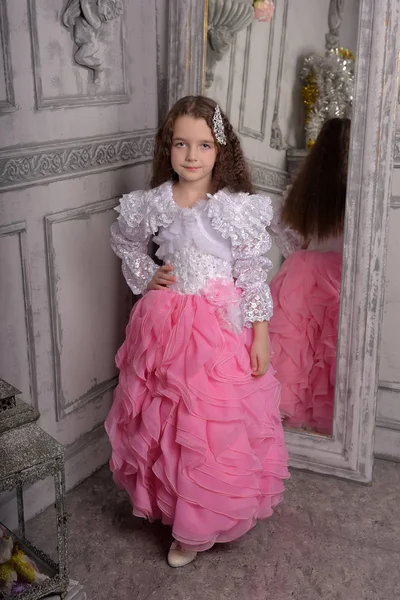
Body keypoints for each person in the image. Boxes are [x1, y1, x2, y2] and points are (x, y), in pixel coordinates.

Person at [105, 95, 289, 567]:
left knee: (211, 425)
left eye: (204, 146)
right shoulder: (152, 203)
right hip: (165, 324)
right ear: (168, 147)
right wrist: (148, 274)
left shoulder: (235, 208)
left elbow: (251, 271)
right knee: (169, 421)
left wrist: (261, 334)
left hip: (219, 331)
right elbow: (125, 242)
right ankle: (180, 516)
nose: (191, 156)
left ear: (220, 150)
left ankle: (207, 516)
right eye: (182, 144)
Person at [268, 117, 350, 434]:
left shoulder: (302, 192)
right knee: (329, 351)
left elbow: (286, 236)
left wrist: (305, 254)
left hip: (304, 272)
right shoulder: (357, 195)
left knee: (303, 349)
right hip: (339, 272)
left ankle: (299, 418)